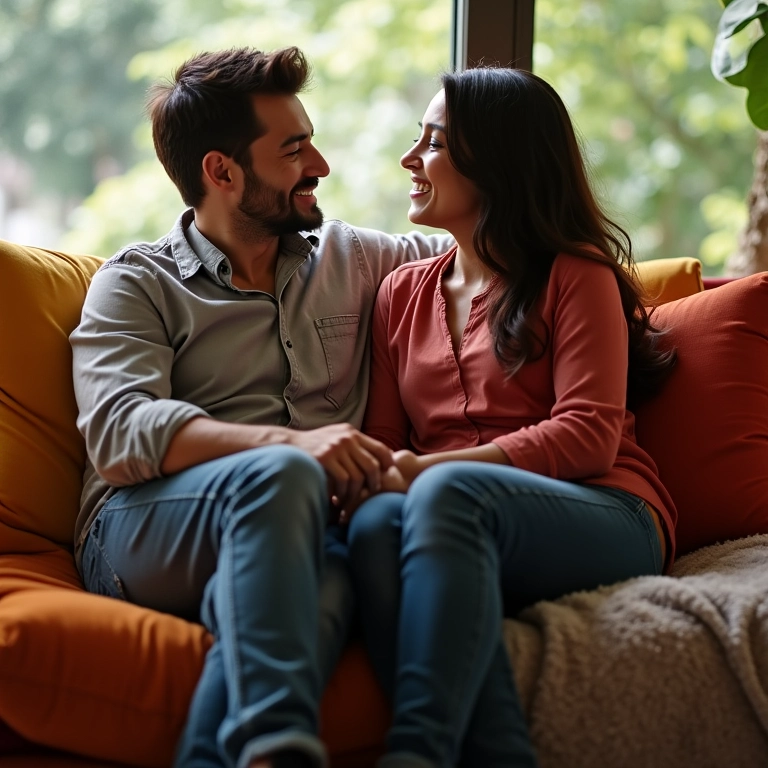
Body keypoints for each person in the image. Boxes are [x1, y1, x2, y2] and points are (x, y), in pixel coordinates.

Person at [69, 46, 452, 768]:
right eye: (295, 149)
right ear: (221, 171)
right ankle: (279, 748)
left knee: (331, 583)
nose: (321, 167)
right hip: (139, 530)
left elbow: (483, 261)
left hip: (301, 530)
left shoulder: (360, 259)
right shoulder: (137, 284)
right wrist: (286, 446)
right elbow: (120, 434)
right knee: (283, 478)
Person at [343, 66, 678, 768]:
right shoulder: (398, 294)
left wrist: (429, 472)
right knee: (375, 523)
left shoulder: (574, 275)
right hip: (454, 514)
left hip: (606, 511)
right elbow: (384, 443)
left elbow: (589, 436)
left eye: (433, 142)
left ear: (497, 163)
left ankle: (418, 750)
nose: (411, 159)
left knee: (439, 493)